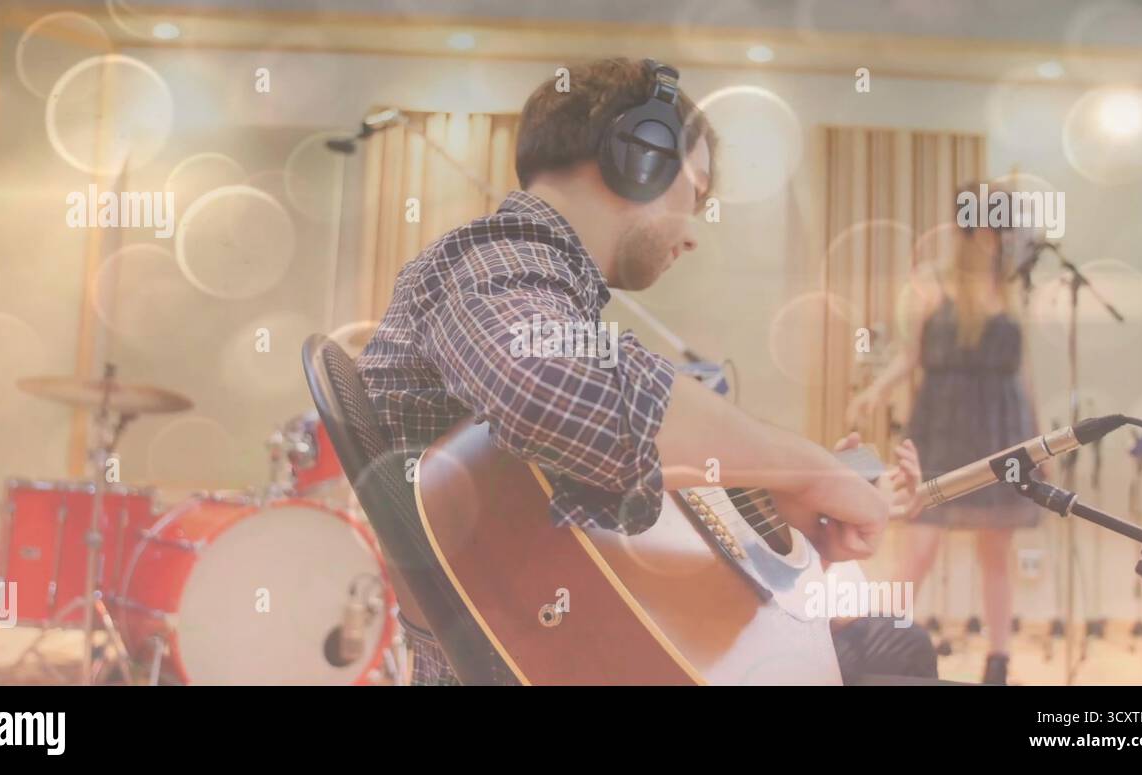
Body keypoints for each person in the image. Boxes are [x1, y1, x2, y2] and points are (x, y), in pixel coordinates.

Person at [358, 57, 927, 685]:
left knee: (892, 644)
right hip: (557, 661)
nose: (693, 236)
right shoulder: (489, 262)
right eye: (696, 196)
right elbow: (551, 390)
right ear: (641, 158)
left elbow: (591, 502)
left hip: (579, 644)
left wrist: (780, 502)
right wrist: (811, 470)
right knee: (896, 650)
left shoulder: (541, 287)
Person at [846, 182, 1041, 684]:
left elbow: (1025, 374)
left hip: (1003, 426)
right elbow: (910, 355)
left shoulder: (1013, 289)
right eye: (990, 224)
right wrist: (877, 391)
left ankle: (999, 661)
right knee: (920, 547)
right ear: (970, 228)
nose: (997, 235)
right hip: (942, 423)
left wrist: (1040, 442)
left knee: (996, 550)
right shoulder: (931, 285)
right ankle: (876, 644)